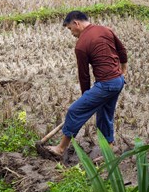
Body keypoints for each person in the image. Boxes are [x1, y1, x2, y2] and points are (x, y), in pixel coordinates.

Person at [46, 11, 127, 158]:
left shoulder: (81, 45)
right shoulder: (105, 30)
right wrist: (123, 72)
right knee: (104, 114)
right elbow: (122, 50)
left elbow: (84, 75)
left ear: (76, 23)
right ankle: (109, 149)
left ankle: (61, 148)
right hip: (118, 81)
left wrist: (86, 97)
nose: (71, 33)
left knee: (75, 111)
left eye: (70, 29)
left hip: (106, 84)